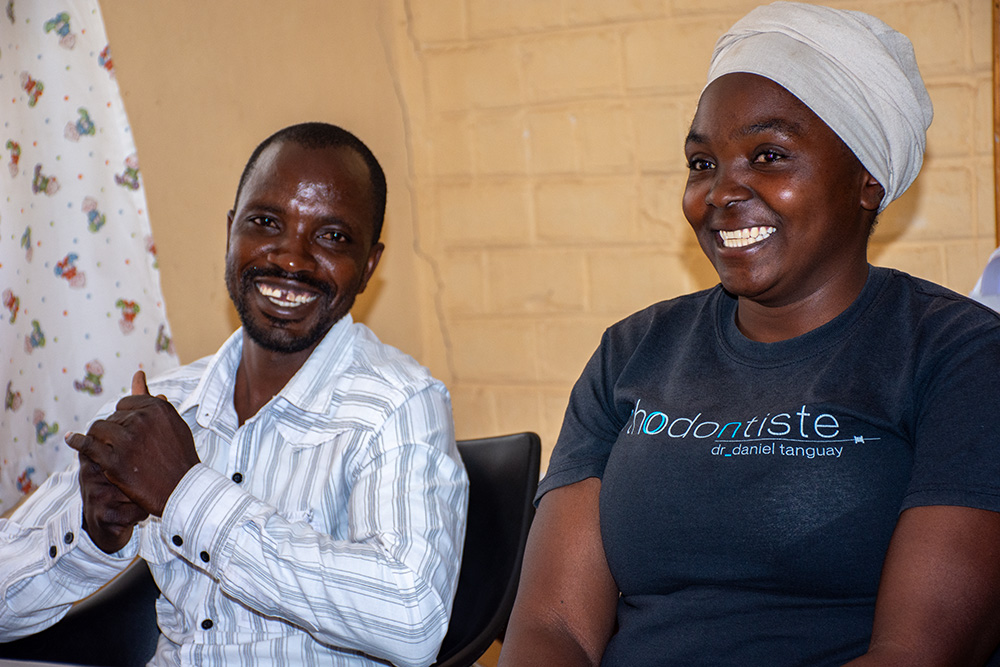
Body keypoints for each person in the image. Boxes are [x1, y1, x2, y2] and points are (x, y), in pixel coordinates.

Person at [499, 3, 1000, 666]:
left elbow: (917, 653)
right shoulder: (633, 351)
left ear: (867, 181)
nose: (721, 192)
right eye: (702, 163)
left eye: (768, 155)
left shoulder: (959, 354)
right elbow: (551, 625)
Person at [0, 122, 469, 667]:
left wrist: (185, 493)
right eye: (266, 223)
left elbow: (413, 622)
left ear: (368, 266)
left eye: (332, 236)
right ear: (230, 233)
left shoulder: (399, 406)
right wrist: (90, 532)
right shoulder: (162, 408)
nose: (291, 259)